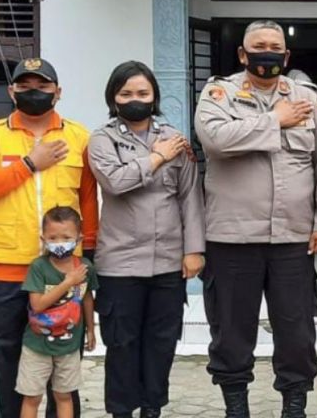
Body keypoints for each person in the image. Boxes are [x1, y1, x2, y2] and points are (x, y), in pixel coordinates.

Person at [193, 20, 317, 418]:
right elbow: (215, 140)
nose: (267, 52)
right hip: (231, 237)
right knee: (231, 330)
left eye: (274, 46)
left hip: (293, 238)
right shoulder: (219, 94)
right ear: (242, 55)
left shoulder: (308, 99)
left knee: (296, 332)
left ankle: (294, 405)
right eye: (257, 46)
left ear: (286, 55)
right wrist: (274, 119)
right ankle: (235, 406)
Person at [0, 58, 98, 418]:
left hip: (63, 268)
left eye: (42, 86)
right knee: (6, 353)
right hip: (11, 269)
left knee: (63, 353)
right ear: (11, 92)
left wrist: (89, 251)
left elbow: (88, 197)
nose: (33, 92)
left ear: (58, 92)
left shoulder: (78, 136)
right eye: (24, 86)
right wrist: (28, 164)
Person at [88, 61, 205, 418]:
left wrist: (194, 249)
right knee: (122, 343)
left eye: (142, 93)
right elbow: (115, 182)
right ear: (113, 98)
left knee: (161, 342)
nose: (135, 99)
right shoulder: (102, 139)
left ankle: (152, 407)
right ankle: (122, 410)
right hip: (120, 263)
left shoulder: (174, 138)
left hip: (168, 261)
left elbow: (190, 196)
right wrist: (157, 158)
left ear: (154, 96)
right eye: (126, 93)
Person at [18, 207, 98, 418]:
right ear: (43, 239)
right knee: (32, 397)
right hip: (36, 346)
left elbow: (87, 298)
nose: (59, 242)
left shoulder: (85, 267)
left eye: (66, 237)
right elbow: (37, 305)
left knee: (64, 395)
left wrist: (91, 329)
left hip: (69, 346)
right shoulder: (38, 267)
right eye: (53, 237)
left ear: (79, 239)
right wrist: (68, 282)